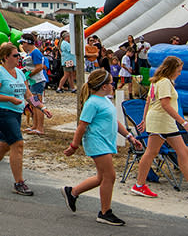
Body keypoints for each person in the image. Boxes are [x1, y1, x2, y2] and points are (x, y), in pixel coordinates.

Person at [62, 68, 140, 226]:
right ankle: (105, 212)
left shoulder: (105, 100)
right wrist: (74, 146)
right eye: (111, 83)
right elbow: (82, 126)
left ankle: (73, 192)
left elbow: (115, 122)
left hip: (106, 142)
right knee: (109, 176)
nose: (113, 85)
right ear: (104, 86)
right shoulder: (92, 103)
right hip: (96, 142)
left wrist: (129, 136)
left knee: (101, 177)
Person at [0, 42, 33, 196]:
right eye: (15, 55)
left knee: (4, 145)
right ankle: (19, 182)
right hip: (2, 111)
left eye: (19, 55)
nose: (18, 58)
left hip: (15, 112)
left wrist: (40, 107)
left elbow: (27, 94)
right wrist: (9, 98)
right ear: (5, 57)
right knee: (18, 143)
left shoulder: (20, 73)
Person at [129, 55, 188, 198]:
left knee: (157, 151)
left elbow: (148, 101)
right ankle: (139, 185)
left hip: (157, 120)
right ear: (172, 69)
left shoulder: (156, 81)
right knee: (181, 152)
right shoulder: (166, 82)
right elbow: (165, 104)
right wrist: (183, 122)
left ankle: (139, 184)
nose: (179, 73)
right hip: (163, 122)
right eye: (178, 70)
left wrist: (144, 119)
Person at [20, 34, 49, 135]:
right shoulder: (30, 52)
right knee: (33, 104)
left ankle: (40, 128)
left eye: (23, 43)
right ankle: (35, 126)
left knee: (37, 104)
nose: (22, 46)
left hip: (37, 81)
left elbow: (39, 67)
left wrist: (28, 75)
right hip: (33, 81)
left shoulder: (35, 52)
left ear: (27, 42)